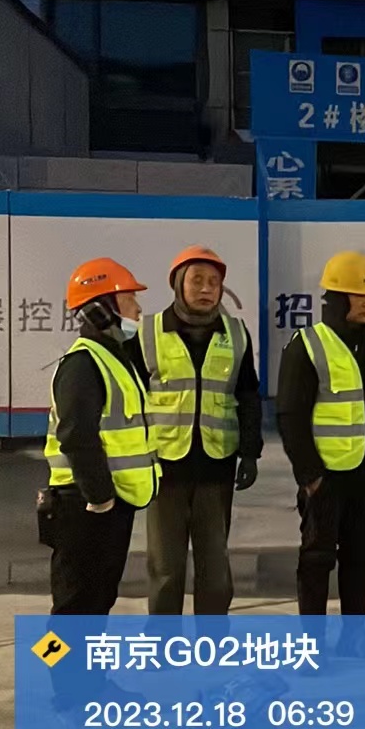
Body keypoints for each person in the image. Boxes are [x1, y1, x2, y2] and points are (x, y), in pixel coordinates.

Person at [277, 252, 365, 615]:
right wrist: (310, 475)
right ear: (337, 298)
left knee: (359, 558)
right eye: (358, 294)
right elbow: (291, 416)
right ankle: (314, 640)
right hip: (326, 477)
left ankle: (354, 635)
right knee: (317, 560)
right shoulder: (308, 345)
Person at [140, 246, 261, 615]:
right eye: (197, 280)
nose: (206, 289)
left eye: (214, 282)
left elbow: (248, 395)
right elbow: (130, 399)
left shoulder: (236, 334)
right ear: (178, 284)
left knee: (215, 569)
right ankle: (164, 641)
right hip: (164, 468)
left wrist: (250, 452)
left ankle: (212, 640)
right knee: (165, 569)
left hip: (216, 466)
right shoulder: (148, 333)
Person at [44, 258, 160, 614]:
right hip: (85, 504)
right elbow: (77, 435)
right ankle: (57, 656)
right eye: (128, 299)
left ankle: (85, 658)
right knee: (75, 609)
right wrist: (100, 498)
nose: (138, 309)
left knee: (96, 602)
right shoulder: (83, 363)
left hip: (109, 502)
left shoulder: (117, 358)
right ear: (100, 310)